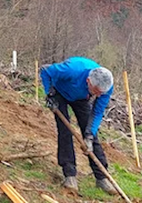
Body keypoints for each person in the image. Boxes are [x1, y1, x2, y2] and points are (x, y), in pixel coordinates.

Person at [40, 57, 117, 195]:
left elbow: (97, 112)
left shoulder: (106, 87)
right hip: (60, 92)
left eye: (101, 93)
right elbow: (45, 70)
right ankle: (69, 174)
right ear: (88, 81)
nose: (99, 95)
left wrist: (89, 134)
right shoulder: (72, 70)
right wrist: (49, 94)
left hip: (81, 98)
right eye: (96, 91)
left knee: (92, 137)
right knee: (65, 131)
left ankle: (101, 177)